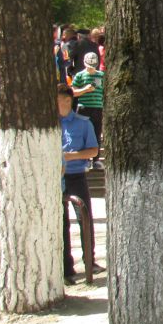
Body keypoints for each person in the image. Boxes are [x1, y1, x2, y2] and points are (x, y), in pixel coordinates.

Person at [58, 84, 98, 282]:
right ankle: (66, 268)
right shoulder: (49, 124)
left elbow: (93, 151)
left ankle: (90, 261)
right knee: (61, 223)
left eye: (64, 99)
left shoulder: (84, 124)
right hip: (56, 178)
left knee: (84, 218)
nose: (61, 103)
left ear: (69, 100)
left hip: (76, 176)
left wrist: (71, 156)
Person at [72, 51, 105, 166]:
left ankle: (96, 160)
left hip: (97, 108)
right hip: (83, 108)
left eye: (93, 66)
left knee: (96, 133)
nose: (91, 69)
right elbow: (73, 92)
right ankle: (84, 160)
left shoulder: (101, 75)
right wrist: (85, 89)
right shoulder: (80, 75)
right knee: (82, 134)